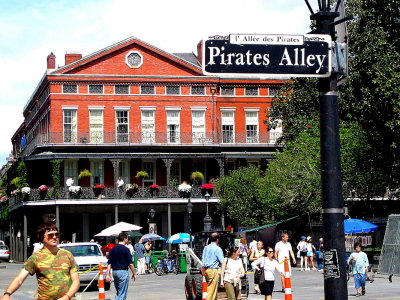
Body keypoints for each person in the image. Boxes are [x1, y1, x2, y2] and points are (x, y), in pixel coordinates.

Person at [1, 222, 80, 300]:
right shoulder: (35, 257)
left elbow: (76, 281)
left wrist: (67, 297)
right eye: (50, 235)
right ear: (42, 237)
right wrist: (7, 294)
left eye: (57, 234)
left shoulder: (67, 255)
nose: (55, 237)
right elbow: (20, 279)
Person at [106, 232, 136, 300]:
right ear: (125, 239)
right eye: (127, 238)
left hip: (115, 272)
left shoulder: (112, 249)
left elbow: (109, 263)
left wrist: (108, 274)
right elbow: (130, 264)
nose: (128, 240)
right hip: (123, 272)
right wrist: (134, 273)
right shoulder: (126, 249)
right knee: (122, 294)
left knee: (119, 292)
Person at [202, 232, 225, 300]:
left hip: (206, 269)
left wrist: (203, 269)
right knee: (211, 290)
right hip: (213, 270)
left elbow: (203, 259)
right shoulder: (217, 249)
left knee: (213, 290)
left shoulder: (206, 247)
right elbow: (222, 261)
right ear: (217, 239)